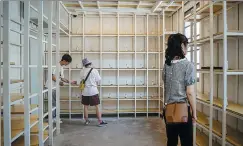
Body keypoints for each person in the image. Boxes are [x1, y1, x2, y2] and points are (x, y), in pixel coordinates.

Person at [162, 33, 197, 146]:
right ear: (182, 46)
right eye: (186, 45)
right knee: (186, 142)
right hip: (182, 111)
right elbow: (190, 92)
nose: (187, 48)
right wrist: (194, 112)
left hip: (168, 109)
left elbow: (166, 84)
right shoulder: (188, 66)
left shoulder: (167, 65)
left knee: (171, 141)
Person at [45, 54, 73, 123]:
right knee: (53, 103)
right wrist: (59, 82)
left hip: (54, 87)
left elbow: (62, 78)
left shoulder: (61, 67)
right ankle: (53, 118)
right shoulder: (55, 66)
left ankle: (55, 117)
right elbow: (52, 77)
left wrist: (69, 81)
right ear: (64, 60)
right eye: (67, 62)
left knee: (55, 103)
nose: (67, 64)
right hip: (50, 87)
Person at [79, 58, 107, 127]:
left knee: (85, 106)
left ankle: (86, 121)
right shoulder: (94, 70)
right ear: (90, 64)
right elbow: (98, 80)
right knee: (97, 106)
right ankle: (100, 121)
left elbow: (81, 80)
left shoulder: (82, 71)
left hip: (85, 91)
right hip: (93, 91)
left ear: (84, 65)